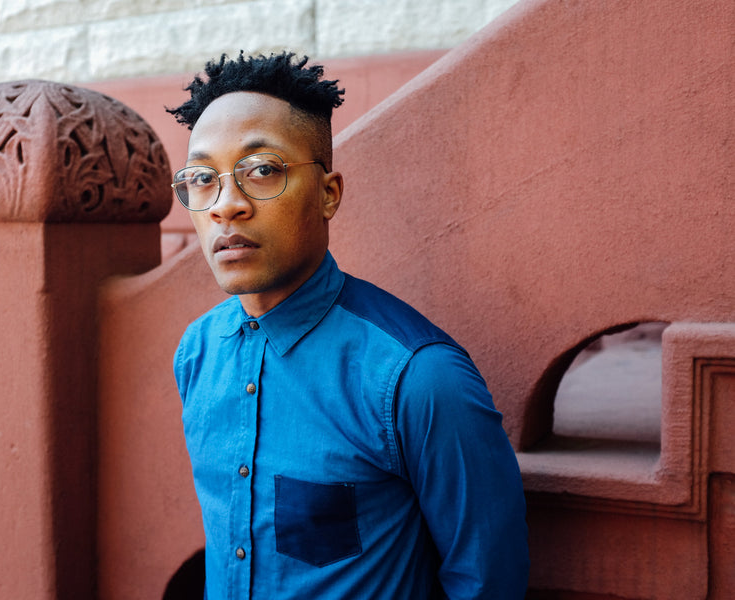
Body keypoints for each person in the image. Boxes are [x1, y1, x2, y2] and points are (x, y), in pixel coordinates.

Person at [169, 51, 529, 599]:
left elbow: (487, 582)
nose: (226, 205)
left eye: (262, 170)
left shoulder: (419, 379)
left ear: (328, 193)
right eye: (202, 178)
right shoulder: (197, 352)